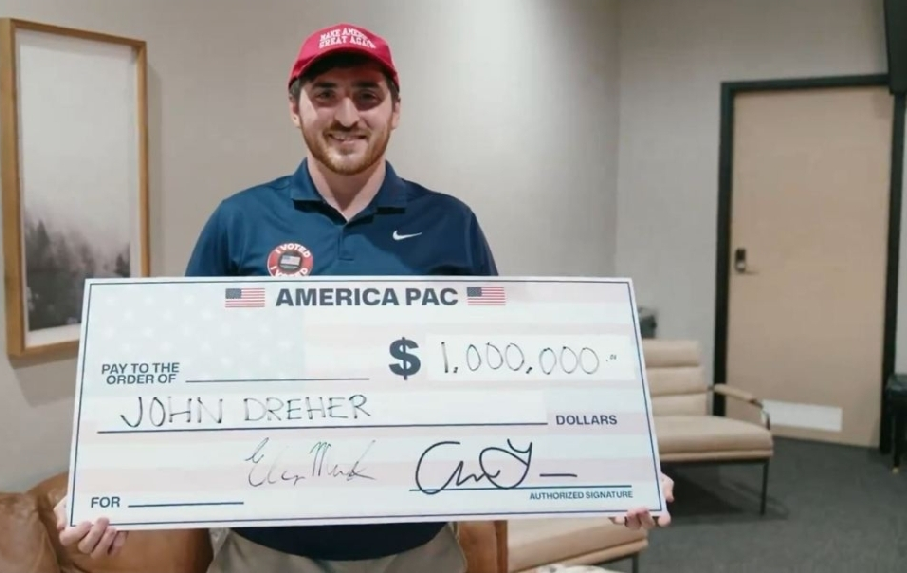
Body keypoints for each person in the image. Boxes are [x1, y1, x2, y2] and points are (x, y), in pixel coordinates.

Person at [54, 21, 675, 573]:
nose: (346, 113)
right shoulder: (239, 221)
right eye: (325, 94)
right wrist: (109, 485)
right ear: (295, 109)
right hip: (267, 550)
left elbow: (503, 378)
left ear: (395, 110)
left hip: (417, 547)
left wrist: (612, 470)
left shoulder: (450, 223)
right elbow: (178, 374)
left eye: (366, 95)